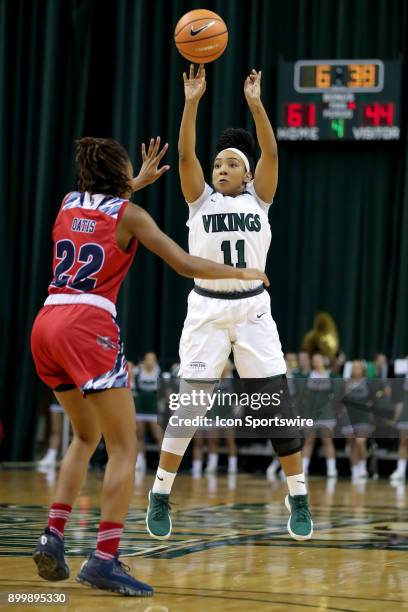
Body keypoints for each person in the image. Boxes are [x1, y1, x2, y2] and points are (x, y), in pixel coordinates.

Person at [30, 136, 268, 597]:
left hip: (46, 323)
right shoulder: (131, 215)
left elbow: (99, 209)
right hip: (87, 324)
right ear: (119, 177)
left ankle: (53, 536)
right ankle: (103, 558)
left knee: (83, 435)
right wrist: (242, 273)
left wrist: (131, 181)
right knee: (124, 447)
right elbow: (182, 262)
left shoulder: (66, 203)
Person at [146, 65, 313, 543]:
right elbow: (183, 153)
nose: (221, 169)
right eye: (218, 164)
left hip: (253, 310)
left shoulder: (260, 200)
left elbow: (272, 152)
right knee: (190, 408)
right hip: (207, 310)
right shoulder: (199, 202)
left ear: (248, 171)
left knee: (276, 407)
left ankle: (297, 495)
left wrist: (257, 105)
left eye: (230, 164)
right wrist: (192, 100)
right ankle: (160, 492)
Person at [301, 353, 338, 478]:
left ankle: (332, 470)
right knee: (309, 441)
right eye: (314, 360)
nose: (316, 362)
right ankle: (303, 469)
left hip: (327, 414)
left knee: (327, 441)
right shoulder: (308, 376)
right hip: (310, 414)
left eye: (319, 359)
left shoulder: (331, 376)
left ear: (324, 361)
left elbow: (337, 395)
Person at [341, 360, 374, 481]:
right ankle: (354, 469)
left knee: (360, 442)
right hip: (349, 417)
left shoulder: (368, 382)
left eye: (358, 368)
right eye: (354, 368)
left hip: (364, 417)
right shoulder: (347, 383)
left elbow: (374, 398)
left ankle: (363, 466)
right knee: (352, 444)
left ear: (363, 370)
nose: (356, 370)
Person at [132, 352, 163, 473]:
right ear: (144, 361)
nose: (150, 361)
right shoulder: (137, 372)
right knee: (139, 435)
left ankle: (162, 464)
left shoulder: (159, 373)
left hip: (154, 409)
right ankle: (140, 461)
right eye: (148, 359)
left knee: (158, 436)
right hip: (140, 408)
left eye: (153, 359)